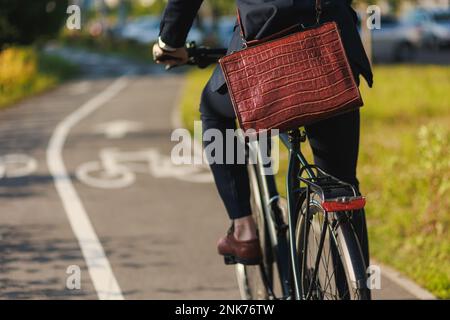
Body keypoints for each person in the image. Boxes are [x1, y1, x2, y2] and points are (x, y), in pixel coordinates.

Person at [153, 0, 373, 266]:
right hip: (333, 46)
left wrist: (169, 42)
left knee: (212, 109)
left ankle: (243, 230)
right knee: (342, 185)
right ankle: (356, 284)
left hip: (264, 50)